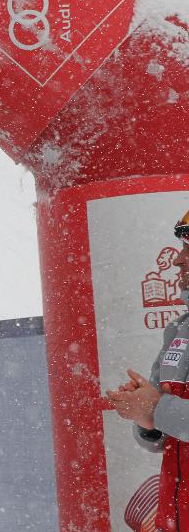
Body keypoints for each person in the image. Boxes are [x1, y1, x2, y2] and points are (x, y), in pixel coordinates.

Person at [108, 209, 189, 532]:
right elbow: (164, 436)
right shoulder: (179, 329)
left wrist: (158, 409)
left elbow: (166, 412)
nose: (178, 260)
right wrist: (148, 420)